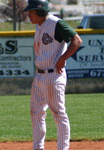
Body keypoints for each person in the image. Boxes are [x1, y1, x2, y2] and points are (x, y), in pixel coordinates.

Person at [23, 0, 82, 150]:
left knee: (58, 113)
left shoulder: (56, 23)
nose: (29, 15)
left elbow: (76, 40)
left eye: (31, 12)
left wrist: (63, 59)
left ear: (40, 11)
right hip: (39, 75)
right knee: (35, 113)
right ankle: (38, 147)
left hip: (53, 75)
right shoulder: (39, 25)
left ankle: (63, 148)